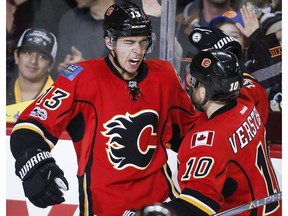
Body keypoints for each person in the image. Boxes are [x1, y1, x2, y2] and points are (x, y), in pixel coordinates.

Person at [9, 3, 200, 215]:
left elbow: (189, 134)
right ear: (110, 41)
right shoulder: (81, 78)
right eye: (128, 42)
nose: (137, 51)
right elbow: (31, 125)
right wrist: (35, 162)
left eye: (142, 42)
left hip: (160, 204)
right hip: (105, 209)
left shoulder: (164, 75)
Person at [137, 48, 282, 216]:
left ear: (204, 91)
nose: (190, 85)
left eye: (194, 82)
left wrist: (164, 212)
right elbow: (252, 83)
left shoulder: (207, 143)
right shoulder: (247, 102)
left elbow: (199, 204)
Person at [6, 28, 57, 123]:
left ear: (50, 65)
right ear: (16, 56)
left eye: (42, 57)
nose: (33, 61)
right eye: (27, 52)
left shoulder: (63, 100)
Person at [55, 0, 115, 75]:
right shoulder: (70, 19)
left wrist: (85, 68)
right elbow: (59, 62)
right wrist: (66, 67)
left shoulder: (129, 19)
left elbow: (126, 76)